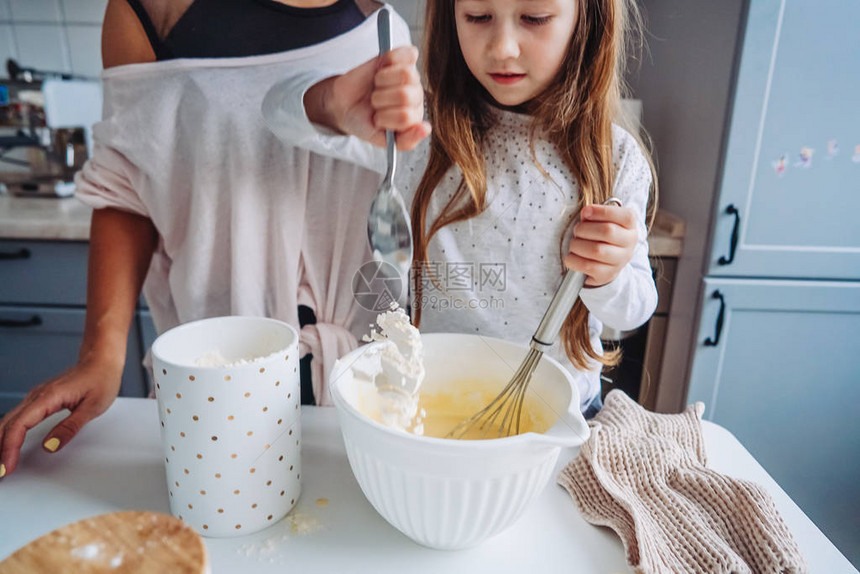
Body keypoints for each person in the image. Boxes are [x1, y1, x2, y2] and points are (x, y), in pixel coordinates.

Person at [0, 0, 423, 479]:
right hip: (214, 376)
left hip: (364, 380)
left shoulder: (380, 12)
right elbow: (128, 184)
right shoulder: (150, 11)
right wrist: (101, 353)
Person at [263, 0, 658, 418]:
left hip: (562, 412)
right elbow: (276, 113)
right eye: (478, 17)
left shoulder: (614, 157)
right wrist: (333, 103)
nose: (503, 47)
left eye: (534, 19)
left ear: (588, 19)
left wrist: (609, 275)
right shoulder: (417, 133)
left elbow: (634, 308)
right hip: (431, 406)